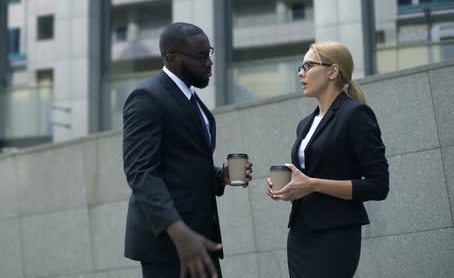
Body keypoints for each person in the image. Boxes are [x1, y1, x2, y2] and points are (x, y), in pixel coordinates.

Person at [122, 22, 253, 278]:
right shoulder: (147, 98)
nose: (209, 63)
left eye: (209, 53)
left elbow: (181, 162)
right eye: (201, 57)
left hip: (201, 240)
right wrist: (178, 231)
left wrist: (218, 177)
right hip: (170, 246)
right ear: (172, 60)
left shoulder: (190, 98)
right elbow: (141, 172)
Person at [266, 42, 389, 278]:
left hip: (336, 234)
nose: (301, 73)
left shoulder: (356, 114)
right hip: (300, 234)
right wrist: (289, 187)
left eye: (308, 66)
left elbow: (378, 185)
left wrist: (312, 184)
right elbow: (311, 173)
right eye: (300, 67)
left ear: (332, 71)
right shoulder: (305, 124)